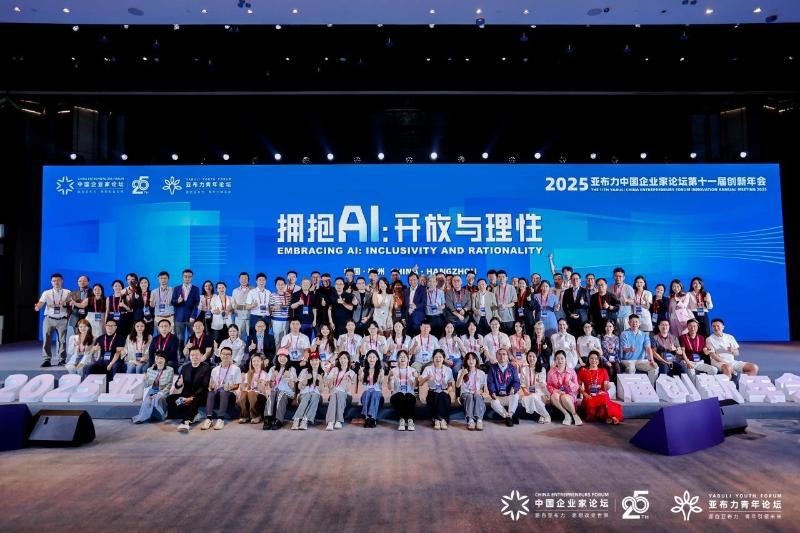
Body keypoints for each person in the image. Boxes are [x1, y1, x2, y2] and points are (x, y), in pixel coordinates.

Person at [167, 348, 211, 433]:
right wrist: (179, 384)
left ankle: (186, 422)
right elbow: (177, 384)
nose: (194, 357)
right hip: (186, 394)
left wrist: (191, 397)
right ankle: (195, 415)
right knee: (170, 399)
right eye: (192, 355)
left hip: (200, 395)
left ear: (201, 355)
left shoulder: (206, 368)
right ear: (189, 356)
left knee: (195, 400)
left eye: (197, 355)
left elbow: (204, 386)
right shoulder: (185, 368)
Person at [201, 346, 241, 430]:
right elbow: (211, 385)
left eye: (228, 354)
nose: (225, 356)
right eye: (223, 354)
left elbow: (237, 385)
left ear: (231, 356)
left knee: (223, 391)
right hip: (217, 392)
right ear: (220, 355)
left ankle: (221, 419)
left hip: (230, 394)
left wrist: (230, 387)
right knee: (211, 392)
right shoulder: (215, 369)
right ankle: (209, 419)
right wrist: (211, 387)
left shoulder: (236, 369)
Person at [577, 351, 623, 424]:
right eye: (591, 358)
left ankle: (610, 416)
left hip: (600, 395)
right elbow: (578, 385)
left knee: (604, 397)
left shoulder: (603, 371)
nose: (594, 360)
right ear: (588, 359)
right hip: (589, 396)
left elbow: (605, 388)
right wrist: (585, 394)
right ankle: (607, 417)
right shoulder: (583, 370)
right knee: (592, 410)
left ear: (599, 360)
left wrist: (608, 386)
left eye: (596, 358)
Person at [35, 273, 71, 367]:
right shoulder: (46, 293)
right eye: (54, 281)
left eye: (58, 280)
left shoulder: (67, 292)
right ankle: (47, 359)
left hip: (62, 319)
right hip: (49, 319)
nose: (56, 282)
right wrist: (38, 307)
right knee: (47, 340)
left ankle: (62, 359)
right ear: (51, 282)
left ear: (62, 281)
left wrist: (65, 303)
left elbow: (71, 304)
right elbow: (41, 303)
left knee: (62, 341)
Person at [131, 351, 175, 424]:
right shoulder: (150, 370)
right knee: (147, 402)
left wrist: (159, 394)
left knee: (157, 399)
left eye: (161, 358)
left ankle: (159, 416)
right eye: (157, 358)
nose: (159, 360)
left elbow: (169, 386)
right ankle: (141, 418)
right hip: (152, 391)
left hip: (163, 392)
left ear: (165, 360)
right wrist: (145, 380)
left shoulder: (170, 370)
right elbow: (146, 385)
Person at [263, 348, 297, 430]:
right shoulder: (273, 369)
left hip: (287, 393)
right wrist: (272, 379)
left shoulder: (292, 369)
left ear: (288, 358)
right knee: (271, 393)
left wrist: (289, 378)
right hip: (275, 392)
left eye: (284, 356)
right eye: (280, 356)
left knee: (280, 394)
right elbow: (270, 386)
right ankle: (268, 418)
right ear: (277, 358)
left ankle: (278, 420)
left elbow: (293, 386)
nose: (282, 358)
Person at [419, 350, 454, 430]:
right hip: (432, 393)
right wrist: (427, 378)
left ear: (443, 359)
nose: (438, 359)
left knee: (442, 395)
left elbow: (450, 385)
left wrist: (447, 391)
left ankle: (438, 419)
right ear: (433, 358)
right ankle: (441, 420)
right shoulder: (428, 369)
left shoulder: (448, 369)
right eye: (436, 357)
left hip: (444, 392)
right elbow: (420, 383)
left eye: (440, 357)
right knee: (436, 395)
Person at [619, 315, 658, 385]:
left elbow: (648, 348)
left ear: (639, 323)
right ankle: (631, 388)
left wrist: (651, 360)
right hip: (627, 360)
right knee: (631, 367)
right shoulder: (624, 334)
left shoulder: (644, 335)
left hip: (640, 361)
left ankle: (651, 387)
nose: (634, 323)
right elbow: (624, 349)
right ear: (629, 323)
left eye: (636, 322)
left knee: (655, 367)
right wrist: (629, 349)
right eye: (632, 322)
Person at [546, 351, 582, 426]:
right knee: (554, 396)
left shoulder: (571, 371)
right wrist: (557, 391)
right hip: (557, 394)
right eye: (557, 359)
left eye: (562, 358)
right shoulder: (551, 372)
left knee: (564, 397)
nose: (560, 361)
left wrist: (570, 383)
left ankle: (575, 414)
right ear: (555, 360)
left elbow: (576, 387)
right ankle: (566, 414)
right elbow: (549, 385)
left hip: (569, 395)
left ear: (565, 360)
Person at [325, 351, 356, 430]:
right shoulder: (334, 369)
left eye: (345, 358)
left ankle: (337, 420)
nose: (342, 360)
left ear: (348, 360)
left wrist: (347, 381)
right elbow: (329, 387)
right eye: (341, 358)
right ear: (338, 360)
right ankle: (331, 422)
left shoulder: (351, 372)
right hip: (334, 394)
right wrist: (332, 380)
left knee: (338, 393)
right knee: (334, 394)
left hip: (346, 396)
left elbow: (348, 389)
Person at [292, 353, 324, 430]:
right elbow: (299, 387)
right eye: (312, 360)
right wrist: (305, 379)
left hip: (317, 397)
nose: (314, 362)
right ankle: (297, 420)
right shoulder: (304, 371)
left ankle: (305, 420)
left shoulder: (322, 372)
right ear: (309, 361)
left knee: (315, 395)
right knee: (307, 395)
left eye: (316, 360)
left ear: (319, 361)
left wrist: (321, 381)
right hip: (303, 396)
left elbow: (321, 390)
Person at [456, 352, 487, 430]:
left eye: (473, 359)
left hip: (476, 394)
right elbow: (457, 386)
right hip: (465, 395)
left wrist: (479, 392)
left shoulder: (481, 373)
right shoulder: (461, 371)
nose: (471, 361)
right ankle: (470, 420)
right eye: (469, 359)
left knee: (477, 396)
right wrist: (462, 375)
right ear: (466, 361)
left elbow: (483, 389)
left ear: (476, 360)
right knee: (469, 396)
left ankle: (479, 420)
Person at [171, 269, 200, 351]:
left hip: (191, 318)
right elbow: (172, 302)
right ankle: (181, 356)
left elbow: (196, 303)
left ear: (192, 277)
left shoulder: (195, 289)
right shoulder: (177, 288)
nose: (187, 278)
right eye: (185, 276)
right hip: (179, 318)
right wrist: (177, 301)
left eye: (189, 277)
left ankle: (191, 355)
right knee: (180, 339)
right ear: (182, 277)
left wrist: (193, 315)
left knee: (192, 338)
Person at [389, 351, 418, 431]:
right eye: (400, 357)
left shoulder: (412, 370)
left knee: (408, 396)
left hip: (409, 394)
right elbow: (390, 387)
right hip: (397, 395)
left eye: (404, 357)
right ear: (397, 359)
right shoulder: (393, 370)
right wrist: (390, 378)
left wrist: (416, 378)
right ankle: (402, 420)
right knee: (400, 395)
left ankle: (410, 420)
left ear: (408, 359)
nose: (402, 358)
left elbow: (415, 386)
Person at [520, 350, 550, 423]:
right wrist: (526, 392)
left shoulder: (542, 369)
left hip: (540, 391)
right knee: (531, 397)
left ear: (537, 358)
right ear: (527, 357)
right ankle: (545, 415)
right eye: (530, 356)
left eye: (534, 357)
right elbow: (522, 385)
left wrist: (541, 382)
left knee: (534, 396)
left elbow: (543, 385)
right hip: (527, 392)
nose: (531, 358)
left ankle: (543, 416)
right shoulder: (524, 369)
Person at [237, 353, 268, 424]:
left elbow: (263, 390)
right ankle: (245, 416)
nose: (256, 363)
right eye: (254, 361)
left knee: (251, 393)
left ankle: (256, 416)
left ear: (261, 362)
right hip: (249, 393)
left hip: (261, 395)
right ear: (251, 362)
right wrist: (242, 383)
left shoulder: (265, 374)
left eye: (258, 361)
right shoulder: (248, 374)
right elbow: (244, 387)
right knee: (244, 393)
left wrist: (259, 382)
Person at [358, 350, 384, 428]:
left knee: (374, 392)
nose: (372, 359)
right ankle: (367, 418)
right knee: (367, 392)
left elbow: (379, 384)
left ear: (377, 359)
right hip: (366, 396)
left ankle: (371, 418)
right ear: (367, 358)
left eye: (373, 357)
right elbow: (362, 382)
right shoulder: (363, 369)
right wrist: (361, 375)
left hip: (377, 397)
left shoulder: (380, 370)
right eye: (370, 357)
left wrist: (380, 376)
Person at [562, 272, 588, 338]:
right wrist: (570, 314)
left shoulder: (585, 291)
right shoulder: (567, 291)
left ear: (580, 280)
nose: (575, 280)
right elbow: (564, 306)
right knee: (571, 338)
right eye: (573, 279)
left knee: (582, 337)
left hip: (582, 319)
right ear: (571, 280)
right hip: (571, 319)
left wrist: (583, 303)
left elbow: (589, 305)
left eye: (577, 279)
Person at [246, 273, 272, 340]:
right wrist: (252, 305)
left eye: (263, 280)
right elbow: (247, 307)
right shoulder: (252, 292)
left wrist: (270, 319)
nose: (261, 282)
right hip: (255, 317)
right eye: (259, 280)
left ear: (265, 281)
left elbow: (270, 307)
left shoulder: (268, 292)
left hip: (266, 317)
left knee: (265, 337)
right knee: (253, 337)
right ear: (256, 281)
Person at [610, 267, 635, 333]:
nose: (618, 278)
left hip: (625, 317)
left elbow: (634, 302)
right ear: (613, 276)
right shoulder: (609, 287)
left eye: (620, 276)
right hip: (613, 316)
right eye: (616, 276)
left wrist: (627, 300)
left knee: (625, 335)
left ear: (624, 277)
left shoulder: (628, 288)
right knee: (615, 335)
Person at [269, 277, 291, 348]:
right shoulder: (272, 295)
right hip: (276, 320)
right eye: (278, 284)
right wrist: (279, 306)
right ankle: (277, 353)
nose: (280, 286)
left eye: (282, 284)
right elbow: (271, 309)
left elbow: (291, 308)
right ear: (276, 285)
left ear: (285, 285)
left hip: (286, 320)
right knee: (277, 339)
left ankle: (284, 353)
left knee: (285, 339)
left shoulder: (288, 295)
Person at [232, 272, 252, 342]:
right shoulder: (235, 291)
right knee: (238, 337)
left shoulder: (253, 290)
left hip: (250, 317)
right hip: (239, 318)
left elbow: (254, 304)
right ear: (239, 280)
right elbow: (234, 305)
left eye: (246, 278)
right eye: (242, 278)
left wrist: (240, 306)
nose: (244, 280)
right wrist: (247, 306)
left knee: (251, 337)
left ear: (248, 280)